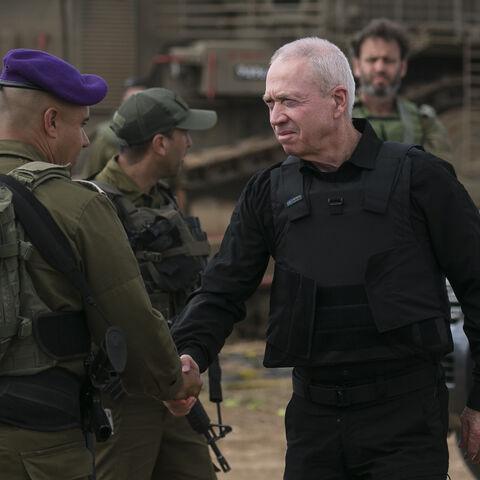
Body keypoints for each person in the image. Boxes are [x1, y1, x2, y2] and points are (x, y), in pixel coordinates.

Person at [171, 36, 480, 479]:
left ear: (338, 101)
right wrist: (189, 353)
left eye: (289, 102)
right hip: (313, 422)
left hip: (405, 420)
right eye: (270, 102)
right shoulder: (267, 191)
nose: (275, 117)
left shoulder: (421, 178)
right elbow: (223, 288)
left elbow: (477, 287)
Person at [0, 49, 201, 480]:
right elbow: (130, 319)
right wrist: (173, 381)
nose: (88, 141)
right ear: (51, 122)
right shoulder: (78, 206)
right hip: (41, 446)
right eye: (82, 124)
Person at [90, 87, 217, 480]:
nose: (190, 143)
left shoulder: (160, 198)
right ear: (160, 143)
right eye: (183, 134)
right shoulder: (94, 205)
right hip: (126, 396)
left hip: (175, 381)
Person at [350, 18, 452, 161]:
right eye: (372, 60)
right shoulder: (341, 117)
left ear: (403, 67)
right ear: (356, 66)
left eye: (388, 60)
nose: (380, 68)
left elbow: (440, 174)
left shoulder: (423, 122)